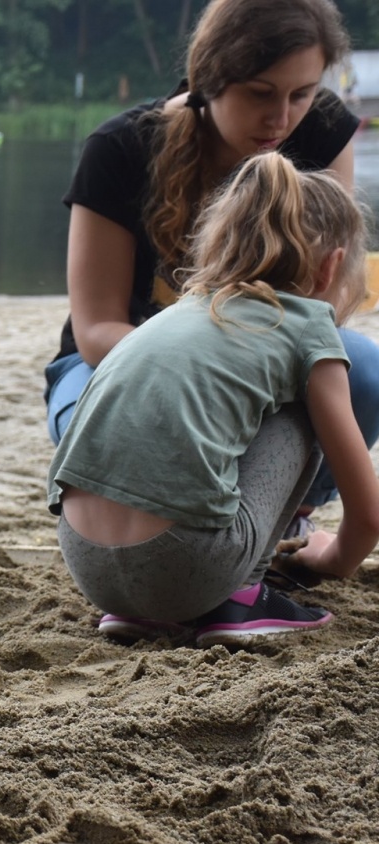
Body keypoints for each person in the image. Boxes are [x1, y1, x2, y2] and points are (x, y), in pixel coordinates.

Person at [44, 0, 379, 530]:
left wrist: (245, 370)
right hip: (118, 364)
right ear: (209, 78)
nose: (282, 118)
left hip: (265, 363)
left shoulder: (324, 130)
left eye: (302, 94)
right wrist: (209, 367)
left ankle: (287, 518)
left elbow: (327, 306)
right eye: (260, 93)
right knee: (124, 426)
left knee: (364, 370)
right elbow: (96, 331)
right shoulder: (118, 149)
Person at [47, 152, 379, 647]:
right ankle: (243, 596)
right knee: (306, 408)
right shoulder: (307, 325)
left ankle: (150, 610)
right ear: (331, 267)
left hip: (88, 566)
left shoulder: (176, 315)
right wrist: (330, 558)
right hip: (188, 567)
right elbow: (368, 515)